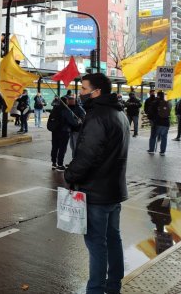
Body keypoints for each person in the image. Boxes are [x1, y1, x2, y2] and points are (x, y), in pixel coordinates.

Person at [64, 73, 129, 294]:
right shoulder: (119, 113)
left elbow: (87, 156)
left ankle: (95, 290)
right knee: (113, 240)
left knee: (96, 246)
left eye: (83, 89)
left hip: (96, 193)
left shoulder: (98, 116)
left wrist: (70, 175)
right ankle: (114, 287)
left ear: (97, 92)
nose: (80, 93)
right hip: (113, 190)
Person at [48, 96, 80, 171]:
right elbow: (73, 122)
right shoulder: (66, 110)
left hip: (55, 131)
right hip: (64, 132)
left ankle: (54, 163)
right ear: (66, 102)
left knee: (55, 147)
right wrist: (78, 121)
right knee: (62, 148)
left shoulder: (54, 109)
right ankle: (60, 164)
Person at [148, 91, 171, 155]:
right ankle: (162, 152)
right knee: (164, 137)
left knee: (153, 136)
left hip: (156, 122)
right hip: (166, 123)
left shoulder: (154, 103)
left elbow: (150, 113)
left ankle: (151, 150)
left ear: (157, 95)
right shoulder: (167, 103)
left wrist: (151, 120)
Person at [67, 94, 86, 158]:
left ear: (74, 101)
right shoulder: (68, 107)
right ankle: (74, 160)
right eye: (69, 100)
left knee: (76, 146)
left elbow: (83, 118)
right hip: (71, 130)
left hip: (77, 130)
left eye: (71, 100)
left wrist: (78, 122)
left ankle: (76, 161)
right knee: (72, 146)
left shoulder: (79, 108)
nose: (69, 101)